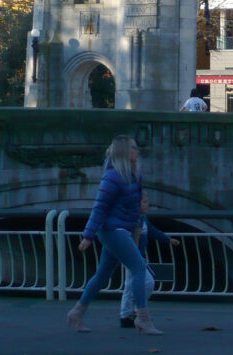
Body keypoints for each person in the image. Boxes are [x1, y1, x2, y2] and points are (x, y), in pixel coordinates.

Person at [66, 135, 163, 335]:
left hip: (121, 229)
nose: (138, 151)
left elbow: (135, 208)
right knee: (138, 267)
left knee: (102, 275)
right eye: (133, 148)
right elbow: (100, 207)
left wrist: (135, 227)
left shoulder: (134, 174)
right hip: (111, 230)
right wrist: (88, 235)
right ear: (124, 152)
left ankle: (77, 312)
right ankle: (143, 319)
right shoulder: (113, 176)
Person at [119, 192, 180, 328]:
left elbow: (152, 231)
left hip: (138, 256)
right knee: (146, 283)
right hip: (132, 256)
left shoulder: (143, 218)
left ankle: (127, 314)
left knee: (131, 285)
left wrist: (168, 239)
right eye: (145, 202)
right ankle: (132, 312)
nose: (148, 205)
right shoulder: (132, 219)